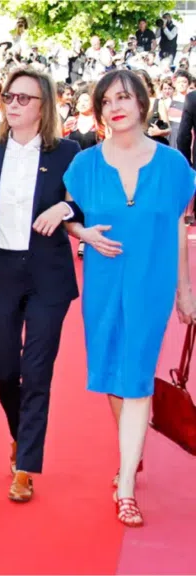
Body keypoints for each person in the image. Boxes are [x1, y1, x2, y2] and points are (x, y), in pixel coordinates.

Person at [63, 69, 196, 527]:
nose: (114, 107)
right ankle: (130, 447)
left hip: (151, 283)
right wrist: (81, 231)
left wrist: (186, 289)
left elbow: (179, 226)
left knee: (136, 375)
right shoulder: (84, 165)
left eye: (124, 97)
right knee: (109, 373)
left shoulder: (174, 165)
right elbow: (70, 216)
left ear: (143, 102)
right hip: (101, 283)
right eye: (105, 101)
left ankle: (125, 485)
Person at [0, 67, 83, 502]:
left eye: (23, 98)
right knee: (3, 368)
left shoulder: (70, 152)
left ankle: (25, 465)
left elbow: (88, 201)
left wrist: (66, 211)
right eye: (8, 97)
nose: (12, 104)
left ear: (43, 106)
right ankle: (20, 434)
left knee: (36, 371)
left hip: (48, 276)